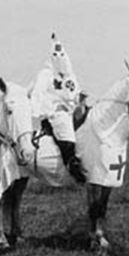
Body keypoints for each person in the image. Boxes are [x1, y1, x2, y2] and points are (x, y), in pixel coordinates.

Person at [30, 33, 85, 183]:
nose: (59, 57)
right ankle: (71, 163)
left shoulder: (69, 75)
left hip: (71, 110)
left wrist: (78, 102)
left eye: (61, 54)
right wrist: (41, 112)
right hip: (53, 112)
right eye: (56, 54)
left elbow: (75, 91)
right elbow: (37, 94)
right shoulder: (46, 74)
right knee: (63, 125)